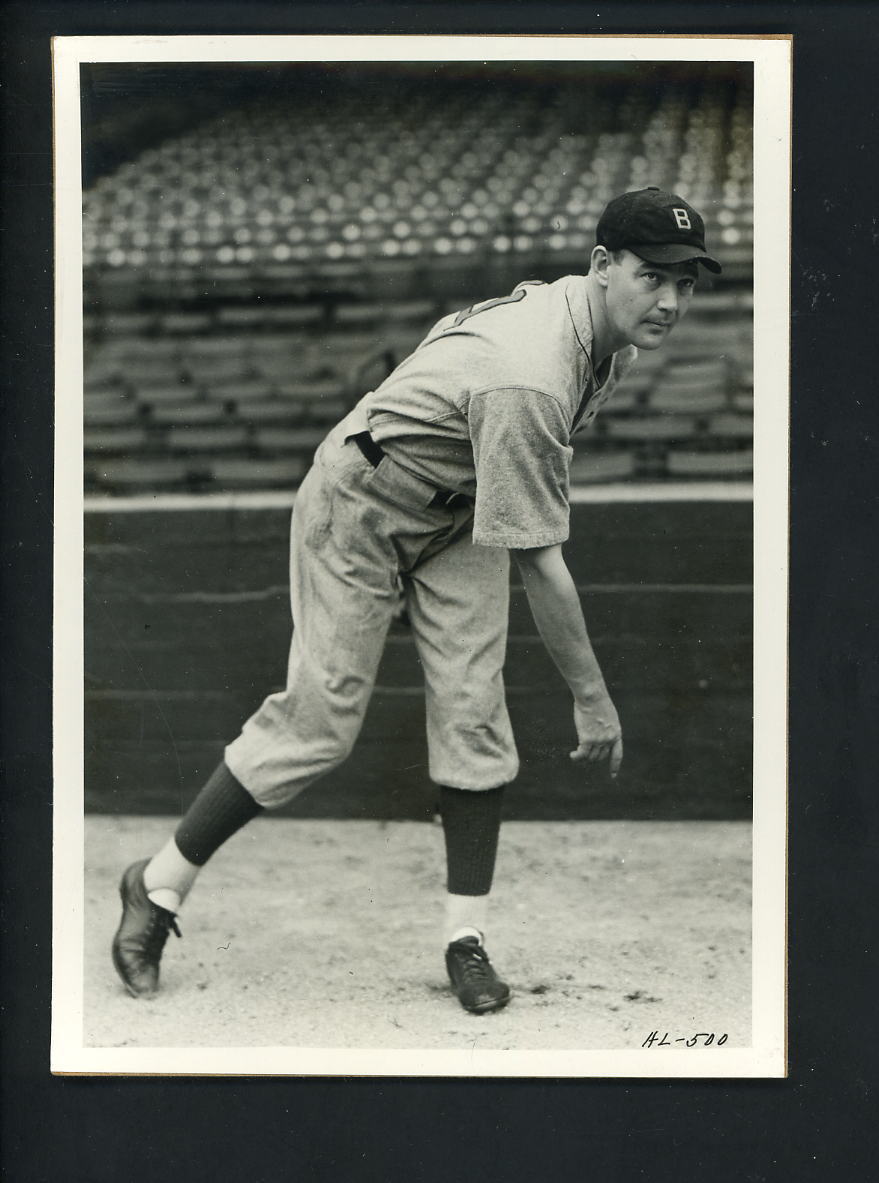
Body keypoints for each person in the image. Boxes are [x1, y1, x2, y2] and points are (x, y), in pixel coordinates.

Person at [112, 186, 721, 1014]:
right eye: (654, 277)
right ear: (602, 266)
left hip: (456, 508)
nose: (671, 301)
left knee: (473, 713)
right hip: (361, 500)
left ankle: (463, 938)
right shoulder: (530, 375)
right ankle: (159, 885)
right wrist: (592, 698)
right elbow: (544, 565)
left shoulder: (596, 331)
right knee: (320, 722)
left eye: (687, 283)